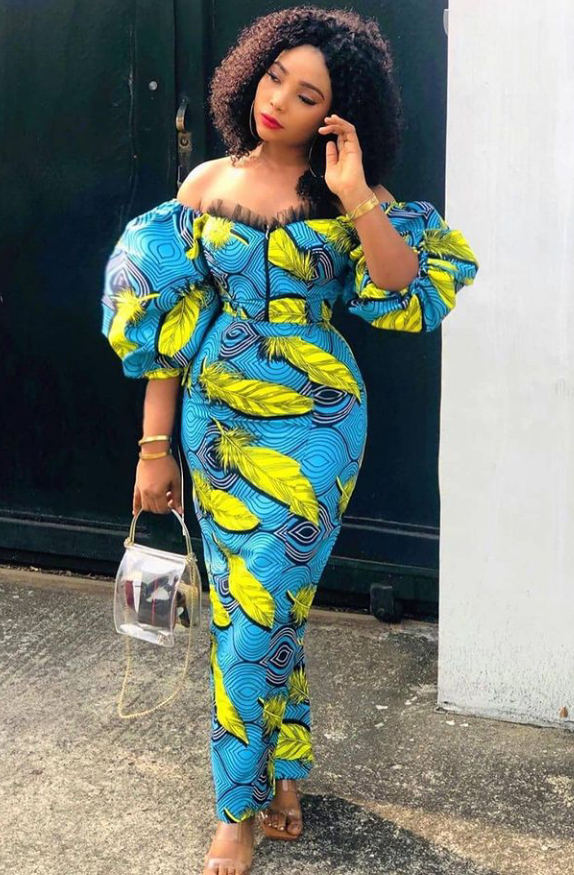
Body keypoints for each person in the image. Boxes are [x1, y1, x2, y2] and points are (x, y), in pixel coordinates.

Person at [101, 6, 480, 873]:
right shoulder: (205, 184)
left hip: (318, 428)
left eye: (307, 95)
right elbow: (168, 330)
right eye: (274, 76)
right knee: (256, 609)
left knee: (262, 608)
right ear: (251, 70)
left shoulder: (349, 196)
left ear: (337, 114)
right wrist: (154, 450)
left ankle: (233, 808)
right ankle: (284, 770)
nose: (279, 100)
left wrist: (355, 192)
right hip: (218, 425)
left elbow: (402, 286)